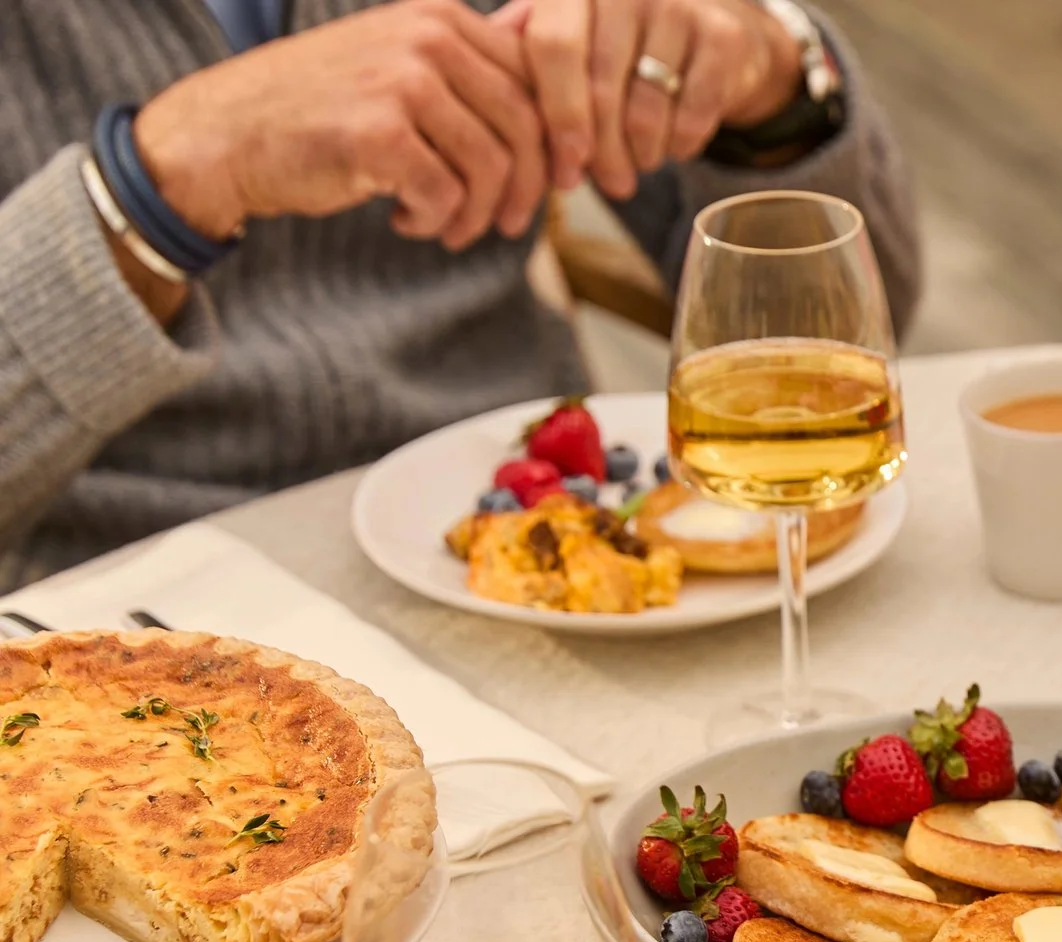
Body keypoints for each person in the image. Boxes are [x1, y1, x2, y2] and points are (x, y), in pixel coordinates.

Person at [0, 0, 919, 583]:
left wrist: (770, 81)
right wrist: (157, 182)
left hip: (551, 550)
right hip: (118, 614)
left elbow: (858, 323)